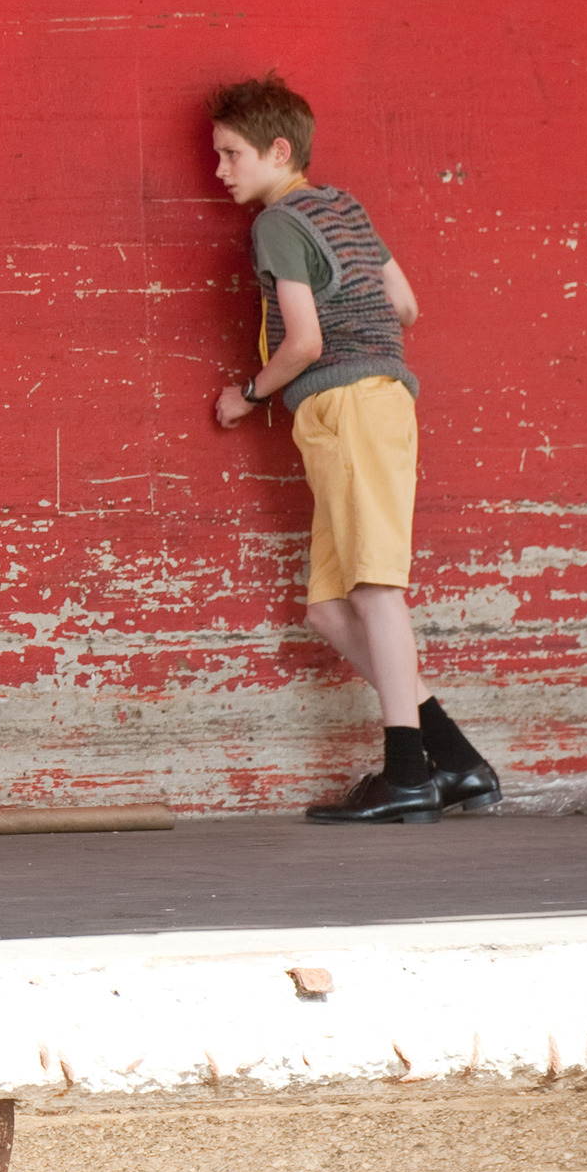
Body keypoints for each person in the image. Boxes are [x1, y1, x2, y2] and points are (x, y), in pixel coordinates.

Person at [207, 73, 497, 825]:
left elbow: (302, 341)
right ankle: (456, 761)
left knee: (374, 593)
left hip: (348, 404)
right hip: (367, 406)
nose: (221, 171)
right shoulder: (344, 208)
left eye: (232, 154)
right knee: (331, 612)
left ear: (278, 149)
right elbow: (404, 304)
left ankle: (407, 775)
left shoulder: (276, 225)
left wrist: (248, 395)